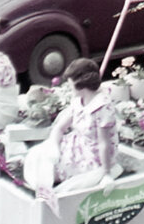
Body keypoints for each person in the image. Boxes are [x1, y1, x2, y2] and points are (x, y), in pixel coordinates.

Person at [23, 58, 121, 202]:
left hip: (94, 154)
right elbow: (60, 128)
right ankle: (44, 185)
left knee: (59, 172)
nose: (69, 88)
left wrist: (106, 173)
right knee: (38, 155)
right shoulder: (78, 101)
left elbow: (103, 143)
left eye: (71, 85)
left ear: (81, 85)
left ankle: (52, 186)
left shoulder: (102, 107)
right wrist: (54, 146)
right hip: (78, 144)